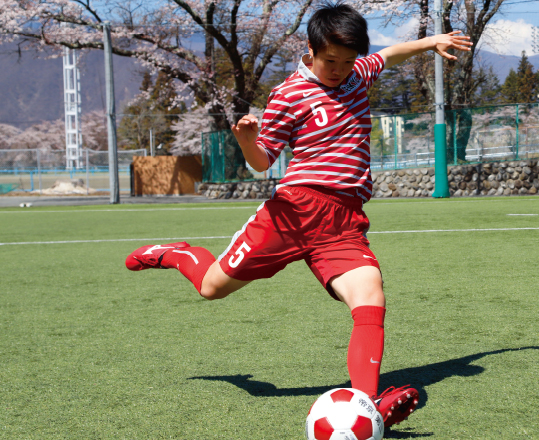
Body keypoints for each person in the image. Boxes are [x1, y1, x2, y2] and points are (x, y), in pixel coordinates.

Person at [126, 1, 471, 427]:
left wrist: (431, 41)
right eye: (331, 61)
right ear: (310, 49)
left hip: (343, 220)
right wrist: (247, 139)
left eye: (348, 61)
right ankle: (177, 252)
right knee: (212, 288)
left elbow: (389, 54)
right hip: (292, 213)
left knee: (370, 297)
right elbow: (262, 161)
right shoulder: (288, 93)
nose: (340, 69)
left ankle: (366, 405)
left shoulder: (358, 73)